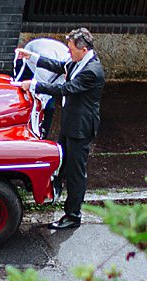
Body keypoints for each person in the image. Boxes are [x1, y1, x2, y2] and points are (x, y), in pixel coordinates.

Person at [18, 28, 105, 231]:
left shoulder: (92, 71)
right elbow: (59, 66)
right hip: (70, 122)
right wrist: (32, 57)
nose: (68, 52)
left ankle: (73, 215)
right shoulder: (78, 61)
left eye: (71, 49)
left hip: (81, 127)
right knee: (63, 161)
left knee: (76, 172)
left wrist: (34, 85)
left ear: (83, 50)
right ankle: (56, 188)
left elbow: (67, 88)